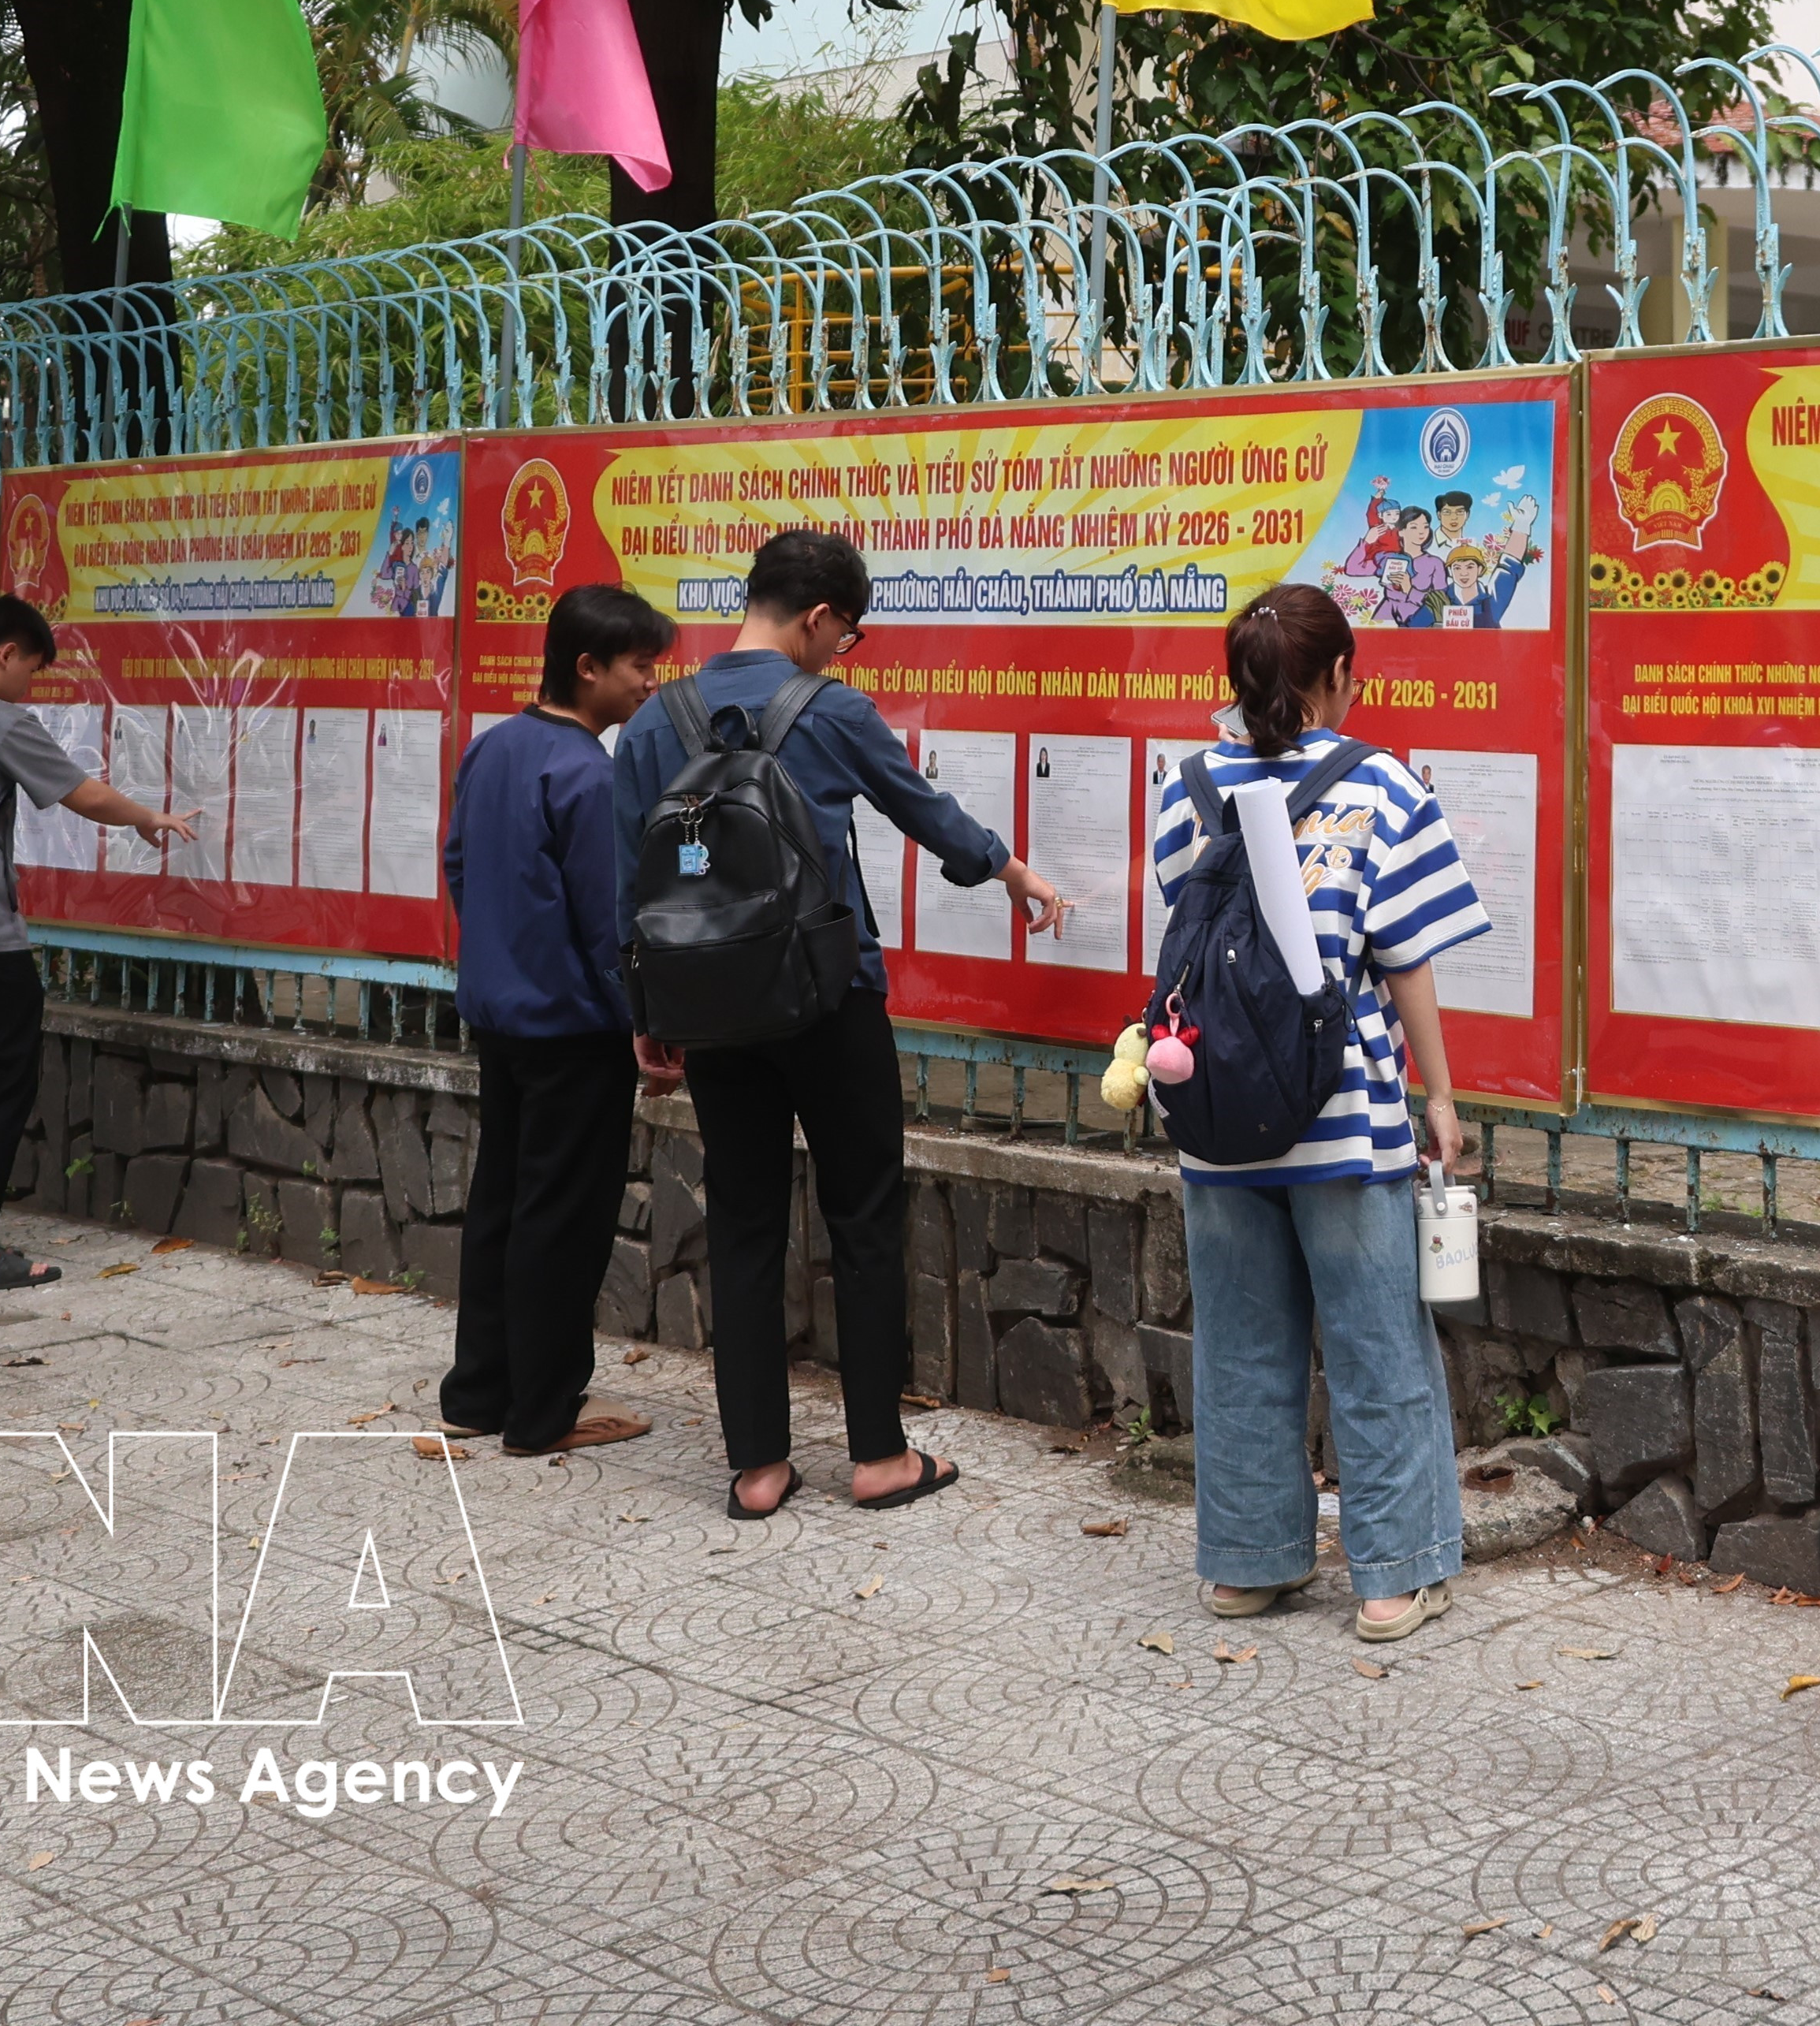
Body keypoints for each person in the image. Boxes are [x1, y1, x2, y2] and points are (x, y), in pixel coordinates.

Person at [611, 529, 1079, 1518]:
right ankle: (877, 1455)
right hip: (830, 998)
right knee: (863, 1215)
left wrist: (645, 1010)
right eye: (847, 634)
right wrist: (1010, 870)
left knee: (742, 1221)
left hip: (713, 1010)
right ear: (819, 618)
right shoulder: (830, 711)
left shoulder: (656, 722)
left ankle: (759, 1468)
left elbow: (631, 878)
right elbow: (922, 809)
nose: (843, 652)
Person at [1152, 582, 1483, 1641]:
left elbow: (1195, 928)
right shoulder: (1382, 788)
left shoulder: (1186, 785)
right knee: (1377, 1344)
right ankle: (1394, 1577)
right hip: (1345, 1122)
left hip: (1215, 1115)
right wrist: (1438, 1095)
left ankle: (1249, 1565)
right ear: (1341, 675)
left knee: (1244, 1342)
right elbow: (1408, 960)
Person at [0, 597, 199, 1295]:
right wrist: (150, 817)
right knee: (1, 1076)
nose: (30, 685)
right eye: (31, 667)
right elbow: (79, 793)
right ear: (5, 653)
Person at [431, 585, 675, 1460]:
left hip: (501, 1018)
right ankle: (544, 1409)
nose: (652, 682)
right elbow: (611, 920)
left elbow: (460, 864)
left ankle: (478, 1388)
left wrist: (501, 948)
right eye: (640, 666)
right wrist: (643, 1023)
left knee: (500, 1198)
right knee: (562, 1220)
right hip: (573, 1028)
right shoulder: (586, 773)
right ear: (587, 667)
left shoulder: (491, 748)